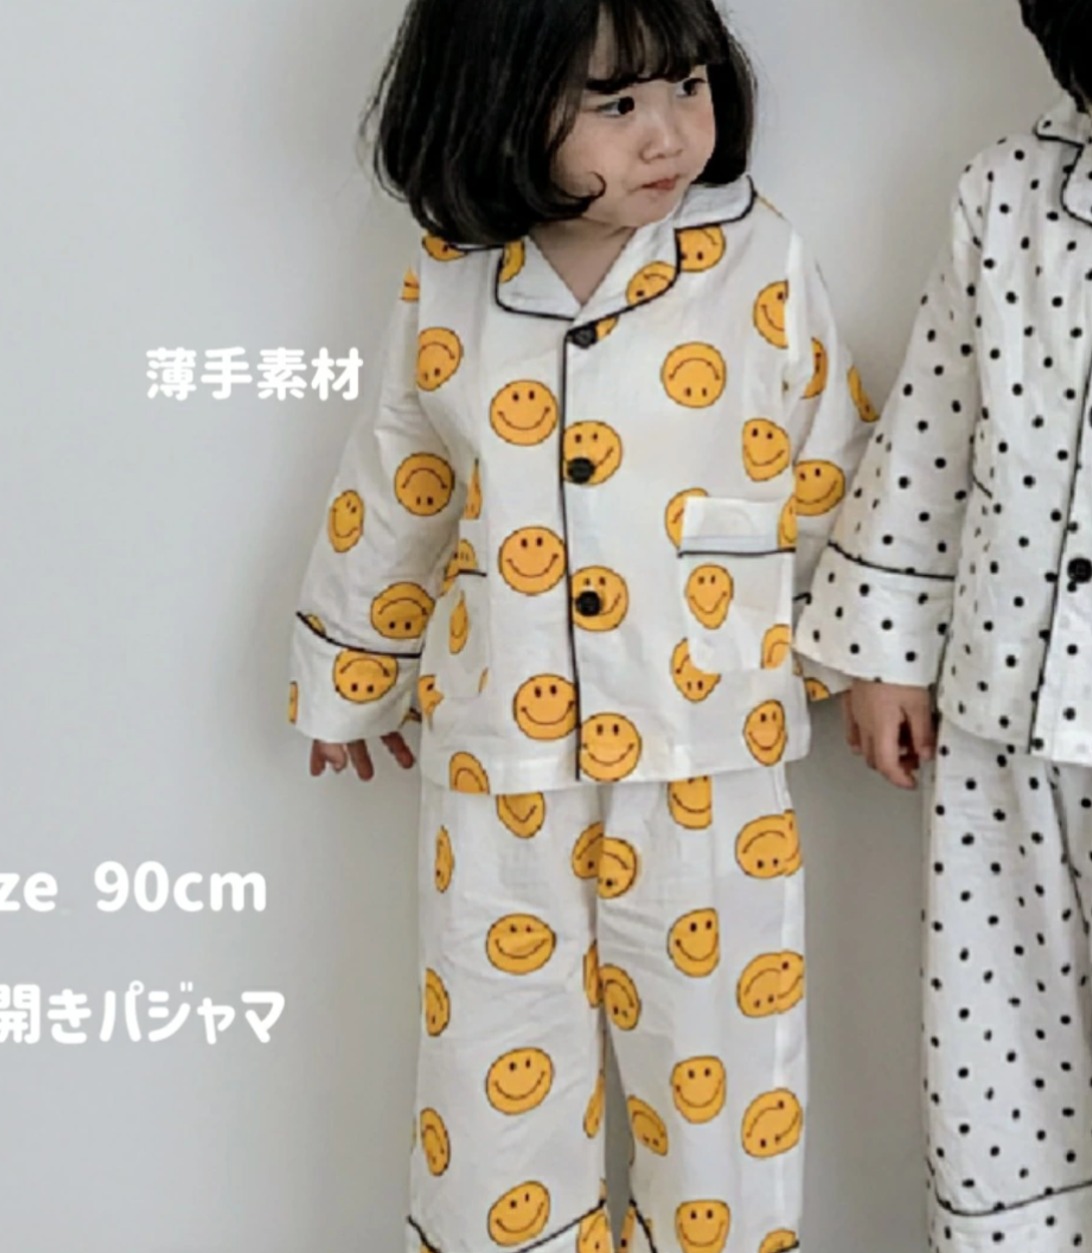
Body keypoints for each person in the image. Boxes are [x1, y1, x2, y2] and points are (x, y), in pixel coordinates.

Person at [288, 0, 873, 1247]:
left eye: (687, 85)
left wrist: (858, 658)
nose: (666, 133)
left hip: (707, 748)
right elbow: (402, 475)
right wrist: (352, 669)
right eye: (614, 104)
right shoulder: (453, 276)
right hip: (499, 747)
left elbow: (828, 461)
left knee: (720, 1075)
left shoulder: (758, 258)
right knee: (491, 1068)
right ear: (497, 101)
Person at [797, 3, 1092, 1249]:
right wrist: (881, 645)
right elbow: (935, 420)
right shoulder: (1006, 190)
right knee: (1007, 1071)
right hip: (1002, 722)